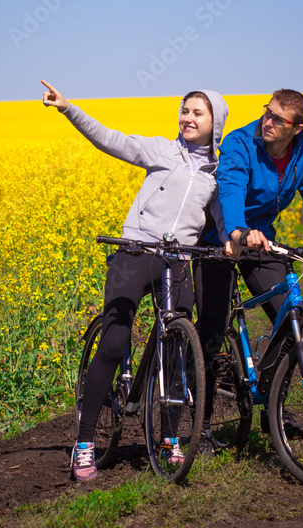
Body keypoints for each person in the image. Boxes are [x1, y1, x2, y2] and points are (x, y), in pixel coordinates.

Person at [41, 80, 228, 482]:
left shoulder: (218, 174)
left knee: (178, 352)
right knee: (113, 342)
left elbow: (225, 220)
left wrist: (239, 239)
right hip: (134, 254)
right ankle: (86, 441)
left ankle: (169, 439)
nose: (188, 118)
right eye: (184, 110)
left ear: (216, 122)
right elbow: (112, 140)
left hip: (177, 261)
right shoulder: (162, 149)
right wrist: (69, 108)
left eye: (198, 112)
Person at [195, 88, 303, 452]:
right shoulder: (239, 142)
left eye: (277, 119)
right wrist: (236, 230)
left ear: (296, 128)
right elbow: (231, 188)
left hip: (261, 240)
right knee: (212, 332)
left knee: (290, 315)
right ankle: (200, 428)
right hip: (219, 238)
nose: (267, 121)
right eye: (267, 113)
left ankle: (271, 407)